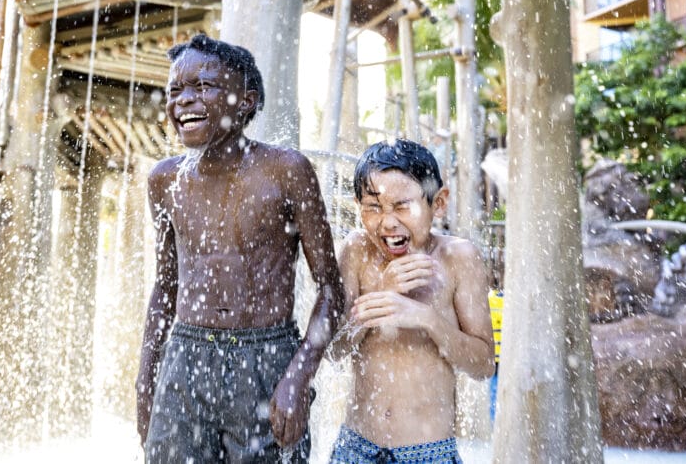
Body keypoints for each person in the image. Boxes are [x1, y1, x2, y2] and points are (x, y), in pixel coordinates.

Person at [136, 34, 345, 463]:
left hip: (265, 357)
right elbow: (165, 288)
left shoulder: (286, 171)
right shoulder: (165, 180)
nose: (183, 101)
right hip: (185, 356)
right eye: (176, 90)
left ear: (246, 101)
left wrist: (298, 378)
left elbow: (331, 290)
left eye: (203, 87)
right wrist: (147, 378)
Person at [329, 139, 493, 464]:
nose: (387, 222)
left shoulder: (458, 258)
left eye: (402, 206)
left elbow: (482, 365)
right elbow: (335, 349)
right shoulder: (357, 251)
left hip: (427, 453)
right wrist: (382, 295)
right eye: (373, 207)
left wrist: (427, 319)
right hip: (356, 446)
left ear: (439, 203)